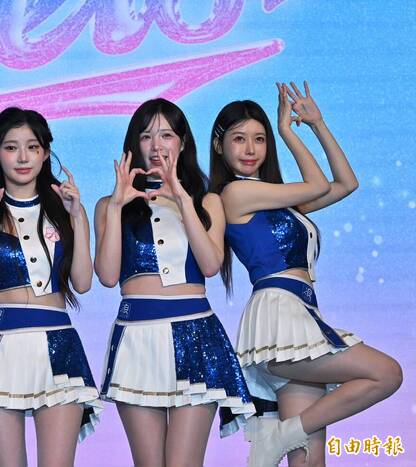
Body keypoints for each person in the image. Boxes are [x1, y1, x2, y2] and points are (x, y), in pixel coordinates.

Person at [210, 82, 402, 466]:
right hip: (279, 319)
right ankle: (279, 437)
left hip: (303, 316)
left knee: (309, 461)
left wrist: (317, 124)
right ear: (219, 146)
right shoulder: (234, 194)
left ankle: (281, 438)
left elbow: (346, 183)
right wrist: (287, 130)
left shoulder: (280, 202)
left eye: (260, 139)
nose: (250, 149)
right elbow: (317, 184)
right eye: (239, 139)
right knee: (387, 373)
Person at [94, 98, 254, 466]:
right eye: (146, 136)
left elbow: (210, 265)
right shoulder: (109, 204)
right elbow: (107, 275)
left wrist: (181, 198)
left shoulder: (206, 201)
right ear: (134, 144)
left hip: (195, 335)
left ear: (182, 143)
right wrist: (117, 206)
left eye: (166, 135)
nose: (156, 145)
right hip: (136, 336)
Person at [0, 107, 102, 467]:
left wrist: (77, 217)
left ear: (45, 153)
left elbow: (83, 283)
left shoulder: (66, 209)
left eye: (32, 147)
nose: (23, 157)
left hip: (58, 345)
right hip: (0, 346)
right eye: (11, 147)